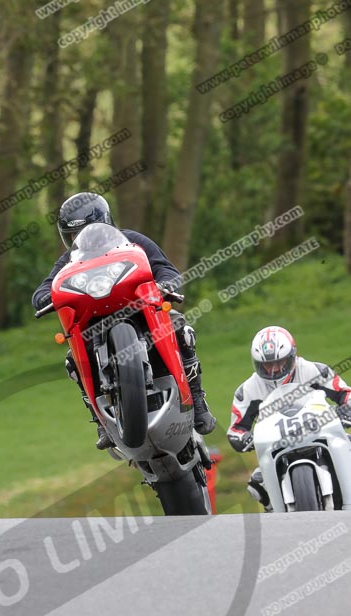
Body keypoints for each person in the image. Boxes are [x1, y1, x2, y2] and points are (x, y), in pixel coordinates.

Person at [32, 192, 216, 449]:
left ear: (106, 223)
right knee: (73, 360)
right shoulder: (67, 262)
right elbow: (44, 290)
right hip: (95, 326)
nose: (83, 239)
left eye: (89, 231)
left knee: (180, 327)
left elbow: (166, 268)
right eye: (74, 236)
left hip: (142, 314)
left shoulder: (133, 242)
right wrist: (45, 299)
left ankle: (197, 399)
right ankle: (100, 420)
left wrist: (165, 284)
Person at [227, 325, 351, 510]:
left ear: (292, 356)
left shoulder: (315, 371)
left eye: (280, 362)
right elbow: (235, 429)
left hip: (318, 432)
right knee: (256, 484)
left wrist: (345, 411)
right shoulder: (247, 390)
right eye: (267, 365)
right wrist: (245, 438)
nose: (274, 370)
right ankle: (276, 515)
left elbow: (346, 394)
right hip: (278, 446)